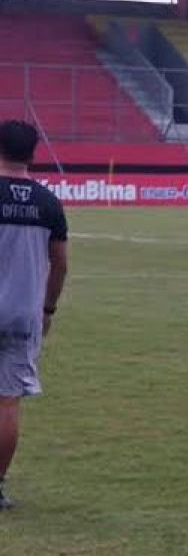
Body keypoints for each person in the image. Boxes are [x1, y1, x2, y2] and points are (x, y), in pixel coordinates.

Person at [0, 120, 68, 510]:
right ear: (34, 153)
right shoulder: (48, 202)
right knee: (8, 401)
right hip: (23, 315)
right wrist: (47, 309)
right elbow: (59, 264)